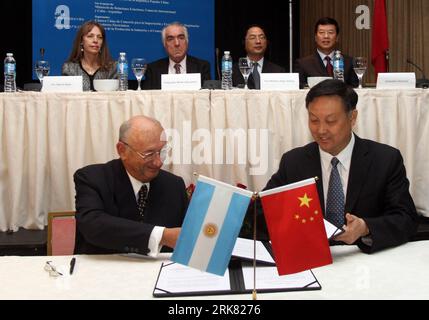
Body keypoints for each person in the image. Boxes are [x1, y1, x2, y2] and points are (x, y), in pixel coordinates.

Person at [249, 79, 418, 254]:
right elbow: (263, 213)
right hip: (310, 259)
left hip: (363, 261)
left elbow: (406, 219)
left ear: (352, 118)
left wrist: (366, 227)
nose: (321, 130)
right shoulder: (294, 162)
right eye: (314, 120)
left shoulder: (385, 159)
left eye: (330, 121)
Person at [74, 116, 188, 255]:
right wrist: (161, 236)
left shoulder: (174, 185)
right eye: (149, 154)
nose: (158, 162)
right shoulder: (93, 178)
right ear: (122, 150)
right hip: (104, 271)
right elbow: (93, 226)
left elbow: (186, 236)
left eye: (162, 152)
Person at [142, 22, 211, 90]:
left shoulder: (202, 67)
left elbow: (207, 97)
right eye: (170, 39)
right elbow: (147, 98)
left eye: (181, 38)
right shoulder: (152, 69)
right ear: (164, 45)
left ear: (187, 42)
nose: (177, 43)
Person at [294, 17, 359, 89]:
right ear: (315, 37)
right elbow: (300, 91)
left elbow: (355, 89)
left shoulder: (349, 62)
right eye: (321, 32)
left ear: (337, 37)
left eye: (330, 32)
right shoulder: (303, 64)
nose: (326, 36)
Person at [62, 21, 117, 91]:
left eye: (99, 37)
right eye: (90, 36)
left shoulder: (112, 68)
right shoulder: (69, 68)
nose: (95, 40)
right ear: (81, 41)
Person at [232, 25, 285, 89]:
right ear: (244, 42)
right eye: (252, 38)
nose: (258, 41)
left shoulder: (278, 71)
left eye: (262, 37)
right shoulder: (232, 71)